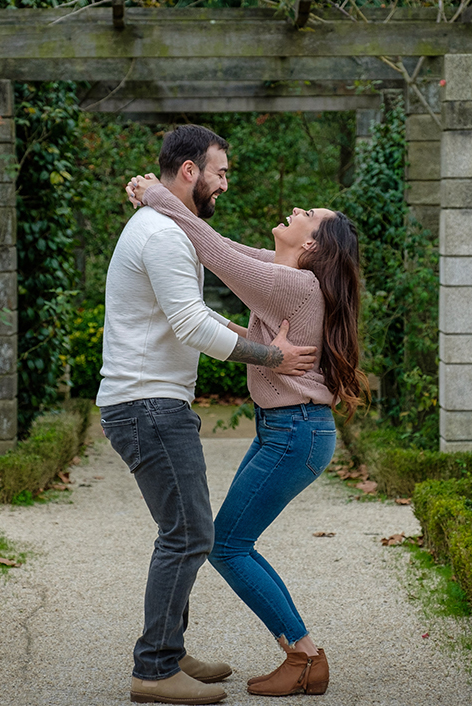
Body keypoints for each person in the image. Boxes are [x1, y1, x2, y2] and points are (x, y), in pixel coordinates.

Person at [98, 124, 318, 706]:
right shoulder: (163, 236)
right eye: (220, 172)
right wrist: (273, 354)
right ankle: (154, 669)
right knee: (191, 532)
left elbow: (195, 312)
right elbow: (191, 326)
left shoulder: (167, 229)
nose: (225, 183)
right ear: (190, 171)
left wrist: (242, 333)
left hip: (148, 401)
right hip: (148, 403)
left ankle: (168, 650)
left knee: (185, 530)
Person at [126, 169, 367, 698]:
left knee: (229, 544)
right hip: (285, 430)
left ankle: (304, 654)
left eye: (310, 215)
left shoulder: (298, 284)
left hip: (294, 432)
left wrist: (155, 194)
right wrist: (229, 335)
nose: (299, 209)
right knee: (232, 541)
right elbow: (230, 246)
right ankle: (304, 655)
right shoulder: (287, 276)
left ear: (311, 244)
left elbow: (214, 250)